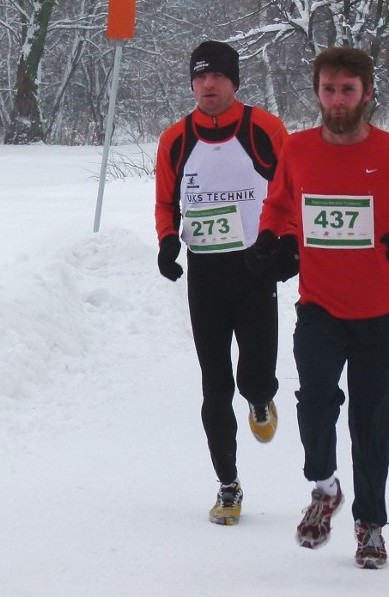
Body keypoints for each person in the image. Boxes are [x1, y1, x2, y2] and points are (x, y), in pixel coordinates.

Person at [247, 47, 389, 569]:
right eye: (329, 90)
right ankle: (325, 486)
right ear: (317, 93)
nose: (337, 100)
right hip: (319, 306)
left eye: (347, 90)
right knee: (314, 401)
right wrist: (271, 236)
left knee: (372, 421)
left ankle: (370, 525)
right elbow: (281, 202)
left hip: (379, 311)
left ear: (367, 93)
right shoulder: (299, 149)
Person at [155, 40, 297, 526]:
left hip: (256, 269)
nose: (208, 85)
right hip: (206, 275)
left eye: (216, 76)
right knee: (214, 385)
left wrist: (289, 244)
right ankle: (228, 485)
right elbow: (165, 203)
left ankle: (260, 398)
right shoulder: (175, 138)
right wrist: (167, 241)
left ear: (234, 82)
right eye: (199, 77)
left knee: (252, 378)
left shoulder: (264, 129)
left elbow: (293, 188)